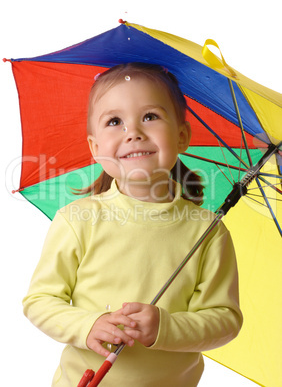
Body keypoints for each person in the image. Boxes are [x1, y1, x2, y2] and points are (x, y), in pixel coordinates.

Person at [23, 63, 243, 387]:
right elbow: (39, 301)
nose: (133, 132)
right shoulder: (77, 220)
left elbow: (225, 319)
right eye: (114, 121)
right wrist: (88, 325)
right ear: (96, 148)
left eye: (150, 117)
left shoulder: (206, 232)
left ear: (182, 136)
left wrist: (164, 328)